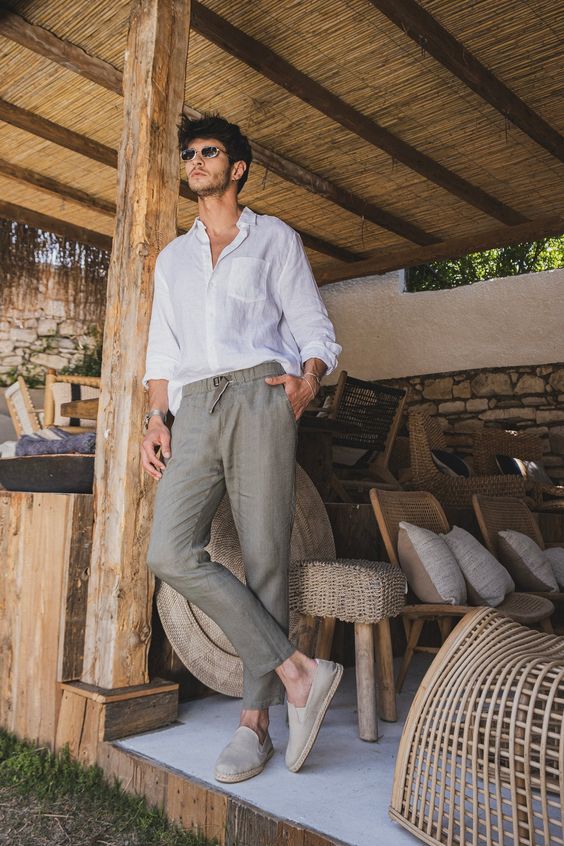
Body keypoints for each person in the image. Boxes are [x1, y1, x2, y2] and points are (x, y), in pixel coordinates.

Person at [141, 114, 342, 783]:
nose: (195, 160)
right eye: (189, 153)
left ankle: (254, 726)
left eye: (208, 152)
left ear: (239, 167)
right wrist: (156, 420)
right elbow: (162, 349)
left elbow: (313, 322)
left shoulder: (274, 240)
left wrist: (308, 381)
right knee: (169, 550)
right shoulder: (173, 258)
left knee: (265, 559)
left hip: (262, 396)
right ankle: (296, 668)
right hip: (195, 404)